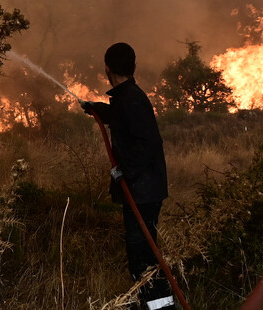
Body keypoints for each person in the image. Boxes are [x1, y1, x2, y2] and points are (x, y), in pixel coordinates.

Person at [81, 42, 175, 310]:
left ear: (107, 69)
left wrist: (125, 169)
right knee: (141, 249)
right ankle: (150, 302)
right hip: (143, 188)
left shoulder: (131, 99)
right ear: (133, 67)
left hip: (143, 191)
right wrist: (97, 108)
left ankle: (159, 305)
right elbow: (122, 118)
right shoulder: (127, 97)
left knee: (142, 252)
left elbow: (149, 142)